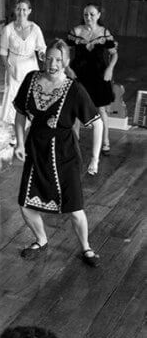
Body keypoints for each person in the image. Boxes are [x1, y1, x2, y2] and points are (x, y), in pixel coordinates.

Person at [14, 39, 103, 267]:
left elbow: (97, 122)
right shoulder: (32, 79)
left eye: (58, 60)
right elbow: (21, 113)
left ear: (65, 62)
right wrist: (19, 143)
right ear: (44, 57)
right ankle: (41, 240)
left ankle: (86, 247)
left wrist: (95, 157)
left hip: (64, 154)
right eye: (50, 58)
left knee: (74, 208)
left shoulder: (74, 89)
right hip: (36, 149)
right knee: (26, 203)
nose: (52, 63)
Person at [67, 3, 118, 154]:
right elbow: (65, 51)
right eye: (85, 14)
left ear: (98, 16)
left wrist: (110, 69)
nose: (88, 17)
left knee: (101, 109)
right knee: (75, 108)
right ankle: (75, 140)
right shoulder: (76, 31)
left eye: (92, 14)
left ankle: (106, 141)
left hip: (99, 75)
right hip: (79, 75)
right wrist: (67, 68)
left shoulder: (104, 32)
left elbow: (114, 53)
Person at [0, 0, 46, 141]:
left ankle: (30, 131)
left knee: (31, 97)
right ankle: (15, 134)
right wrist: (9, 69)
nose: (21, 12)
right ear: (15, 10)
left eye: (24, 9)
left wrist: (43, 55)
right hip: (14, 66)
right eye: (19, 9)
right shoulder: (7, 29)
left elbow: (41, 47)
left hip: (31, 66)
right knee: (14, 98)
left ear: (29, 11)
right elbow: (3, 53)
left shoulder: (35, 28)